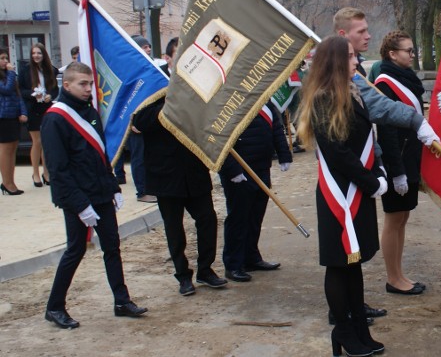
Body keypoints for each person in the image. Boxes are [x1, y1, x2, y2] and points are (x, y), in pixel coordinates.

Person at [333, 7, 440, 323]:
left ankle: (355, 301)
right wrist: (389, 168)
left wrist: (377, 163)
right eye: (361, 31)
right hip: (344, 178)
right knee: (345, 246)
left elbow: (371, 118)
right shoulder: (336, 79)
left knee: (357, 243)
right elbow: (343, 138)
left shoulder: (355, 74)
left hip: (365, 172)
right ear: (343, 37)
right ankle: (345, 309)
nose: (368, 36)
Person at [297, 35, 387, 356]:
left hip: (358, 193)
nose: (356, 62)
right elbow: (337, 152)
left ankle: (360, 330)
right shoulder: (323, 98)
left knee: (355, 262)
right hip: (340, 197)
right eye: (350, 57)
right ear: (335, 61)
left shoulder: (354, 93)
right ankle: (344, 332)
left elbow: (365, 143)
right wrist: (369, 180)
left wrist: (379, 173)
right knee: (339, 264)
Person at [42, 62, 147, 329]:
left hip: (100, 193)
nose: (89, 89)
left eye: (90, 84)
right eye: (83, 84)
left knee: (112, 247)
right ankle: (54, 307)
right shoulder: (55, 118)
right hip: (77, 199)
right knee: (75, 251)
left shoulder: (90, 111)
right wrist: (80, 205)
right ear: (67, 85)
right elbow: (58, 170)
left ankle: (121, 301)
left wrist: (113, 187)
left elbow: (100, 156)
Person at [133, 54, 227, 296]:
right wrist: (169, 104)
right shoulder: (153, 84)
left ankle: (206, 270)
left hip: (193, 169)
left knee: (207, 219)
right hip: (165, 173)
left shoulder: (197, 85)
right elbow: (140, 121)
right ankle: (183, 275)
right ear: (169, 59)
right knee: (174, 228)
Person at [373, 31, 426, 295]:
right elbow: (387, 131)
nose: (412, 55)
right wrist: (396, 172)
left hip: (411, 157)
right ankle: (393, 278)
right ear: (392, 54)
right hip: (398, 161)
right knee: (393, 219)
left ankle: (400, 273)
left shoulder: (407, 79)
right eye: (408, 51)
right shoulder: (385, 82)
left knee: (402, 218)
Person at [217, 101, 292, 282]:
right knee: (239, 218)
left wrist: (284, 153)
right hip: (240, 170)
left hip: (261, 165)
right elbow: (219, 139)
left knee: (255, 216)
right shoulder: (227, 102)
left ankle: (251, 257)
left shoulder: (264, 99)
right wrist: (231, 169)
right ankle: (233, 264)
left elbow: (276, 126)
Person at [114, 36, 155, 202]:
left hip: (149, 119)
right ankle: (142, 192)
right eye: (144, 47)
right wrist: (131, 122)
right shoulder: (128, 71)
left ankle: (151, 188)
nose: (148, 50)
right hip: (135, 122)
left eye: (149, 47)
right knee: (138, 157)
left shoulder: (151, 67)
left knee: (149, 156)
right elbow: (125, 99)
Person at [19, 42, 59, 187]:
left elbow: (55, 90)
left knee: (47, 141)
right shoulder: (25, 70)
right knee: (37, 142)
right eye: (34, 53)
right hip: (33, 108)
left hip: (46, 108)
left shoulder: (51, 70)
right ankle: (35, 173)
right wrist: (32, 95)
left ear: (44, 55)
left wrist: (50, 96)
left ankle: (46, 172)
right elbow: (21, 91)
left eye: (39, 53)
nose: (36, 55)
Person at [0, 48, 27, 195]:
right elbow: (5, 89)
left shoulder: (9, 75)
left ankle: (11, 181)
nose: (5, 61)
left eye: (6, 58)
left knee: (13, 150)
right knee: (5, 150)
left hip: (13, 116)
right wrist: (11, 73)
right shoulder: (8, 76)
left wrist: (23, 111)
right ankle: (6, 182)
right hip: (3, 117)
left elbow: (17, 94)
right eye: (2, 58)